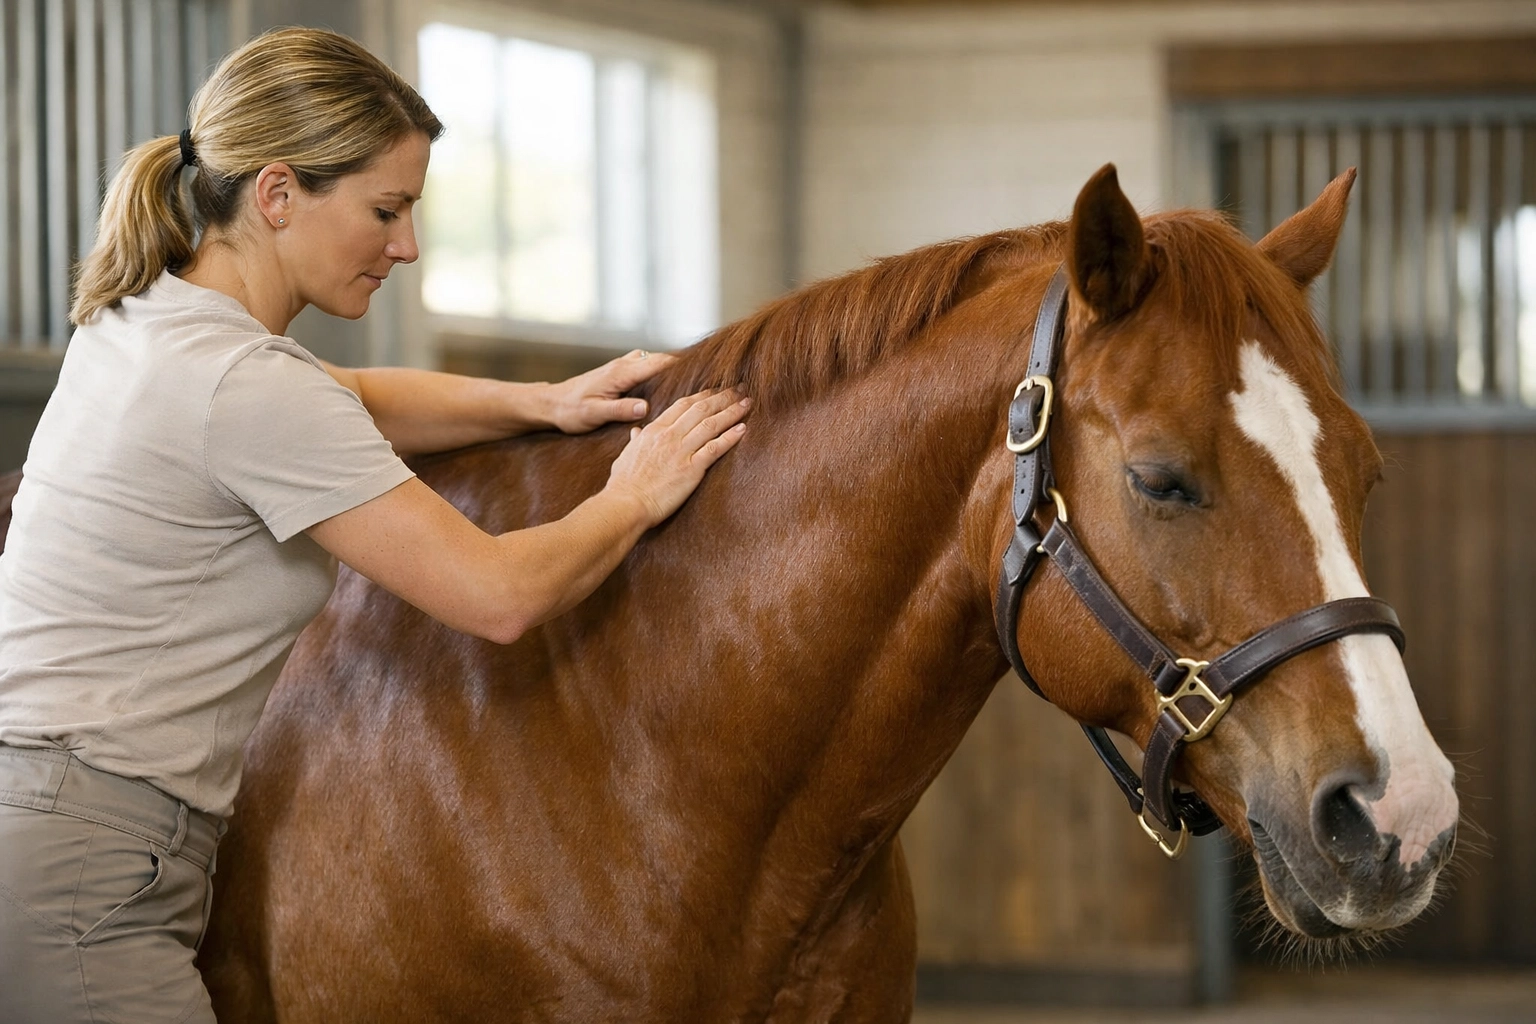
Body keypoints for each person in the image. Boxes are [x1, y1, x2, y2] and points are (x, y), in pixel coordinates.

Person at [0, 26, 749, 1023]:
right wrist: (634, 493)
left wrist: (544, 403)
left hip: (55, 829)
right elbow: (499, 594)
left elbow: (348, 393)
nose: (407, 245)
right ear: (277, 195)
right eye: (385, 209)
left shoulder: (152, 317)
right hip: (86, 865)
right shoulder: (242, 382)